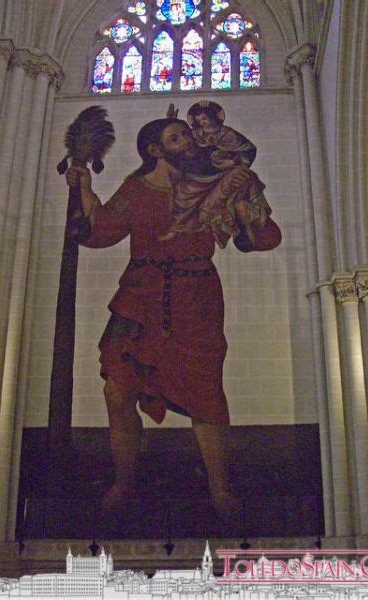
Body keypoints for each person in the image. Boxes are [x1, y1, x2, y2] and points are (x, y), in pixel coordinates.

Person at [65, 116, 281, 515]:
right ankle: (123, 483)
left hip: (195, 295)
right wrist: (84, 190)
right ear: (155, 150)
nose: (189, 140)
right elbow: (100, 233)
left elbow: (262, 239)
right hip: (139, 295)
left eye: (188, 134)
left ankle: (219, 489)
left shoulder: (213, 185)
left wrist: (249, 209)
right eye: (177, 136)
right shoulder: (136, 189)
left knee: (205, 393)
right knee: (117, 389)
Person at [159, 101, 271, 247]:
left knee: (245, 176)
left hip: (220, 175)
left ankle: (246, 222)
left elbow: (248, 150)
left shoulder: (228, 134)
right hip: (195, 177)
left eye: (204, 118)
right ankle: (181, 228)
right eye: (199, 121)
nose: (202, 123)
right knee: (181, 203)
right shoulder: (194, 134)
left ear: (213, 117)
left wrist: (232, 162)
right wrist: (171, 121)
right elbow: (177, 141)